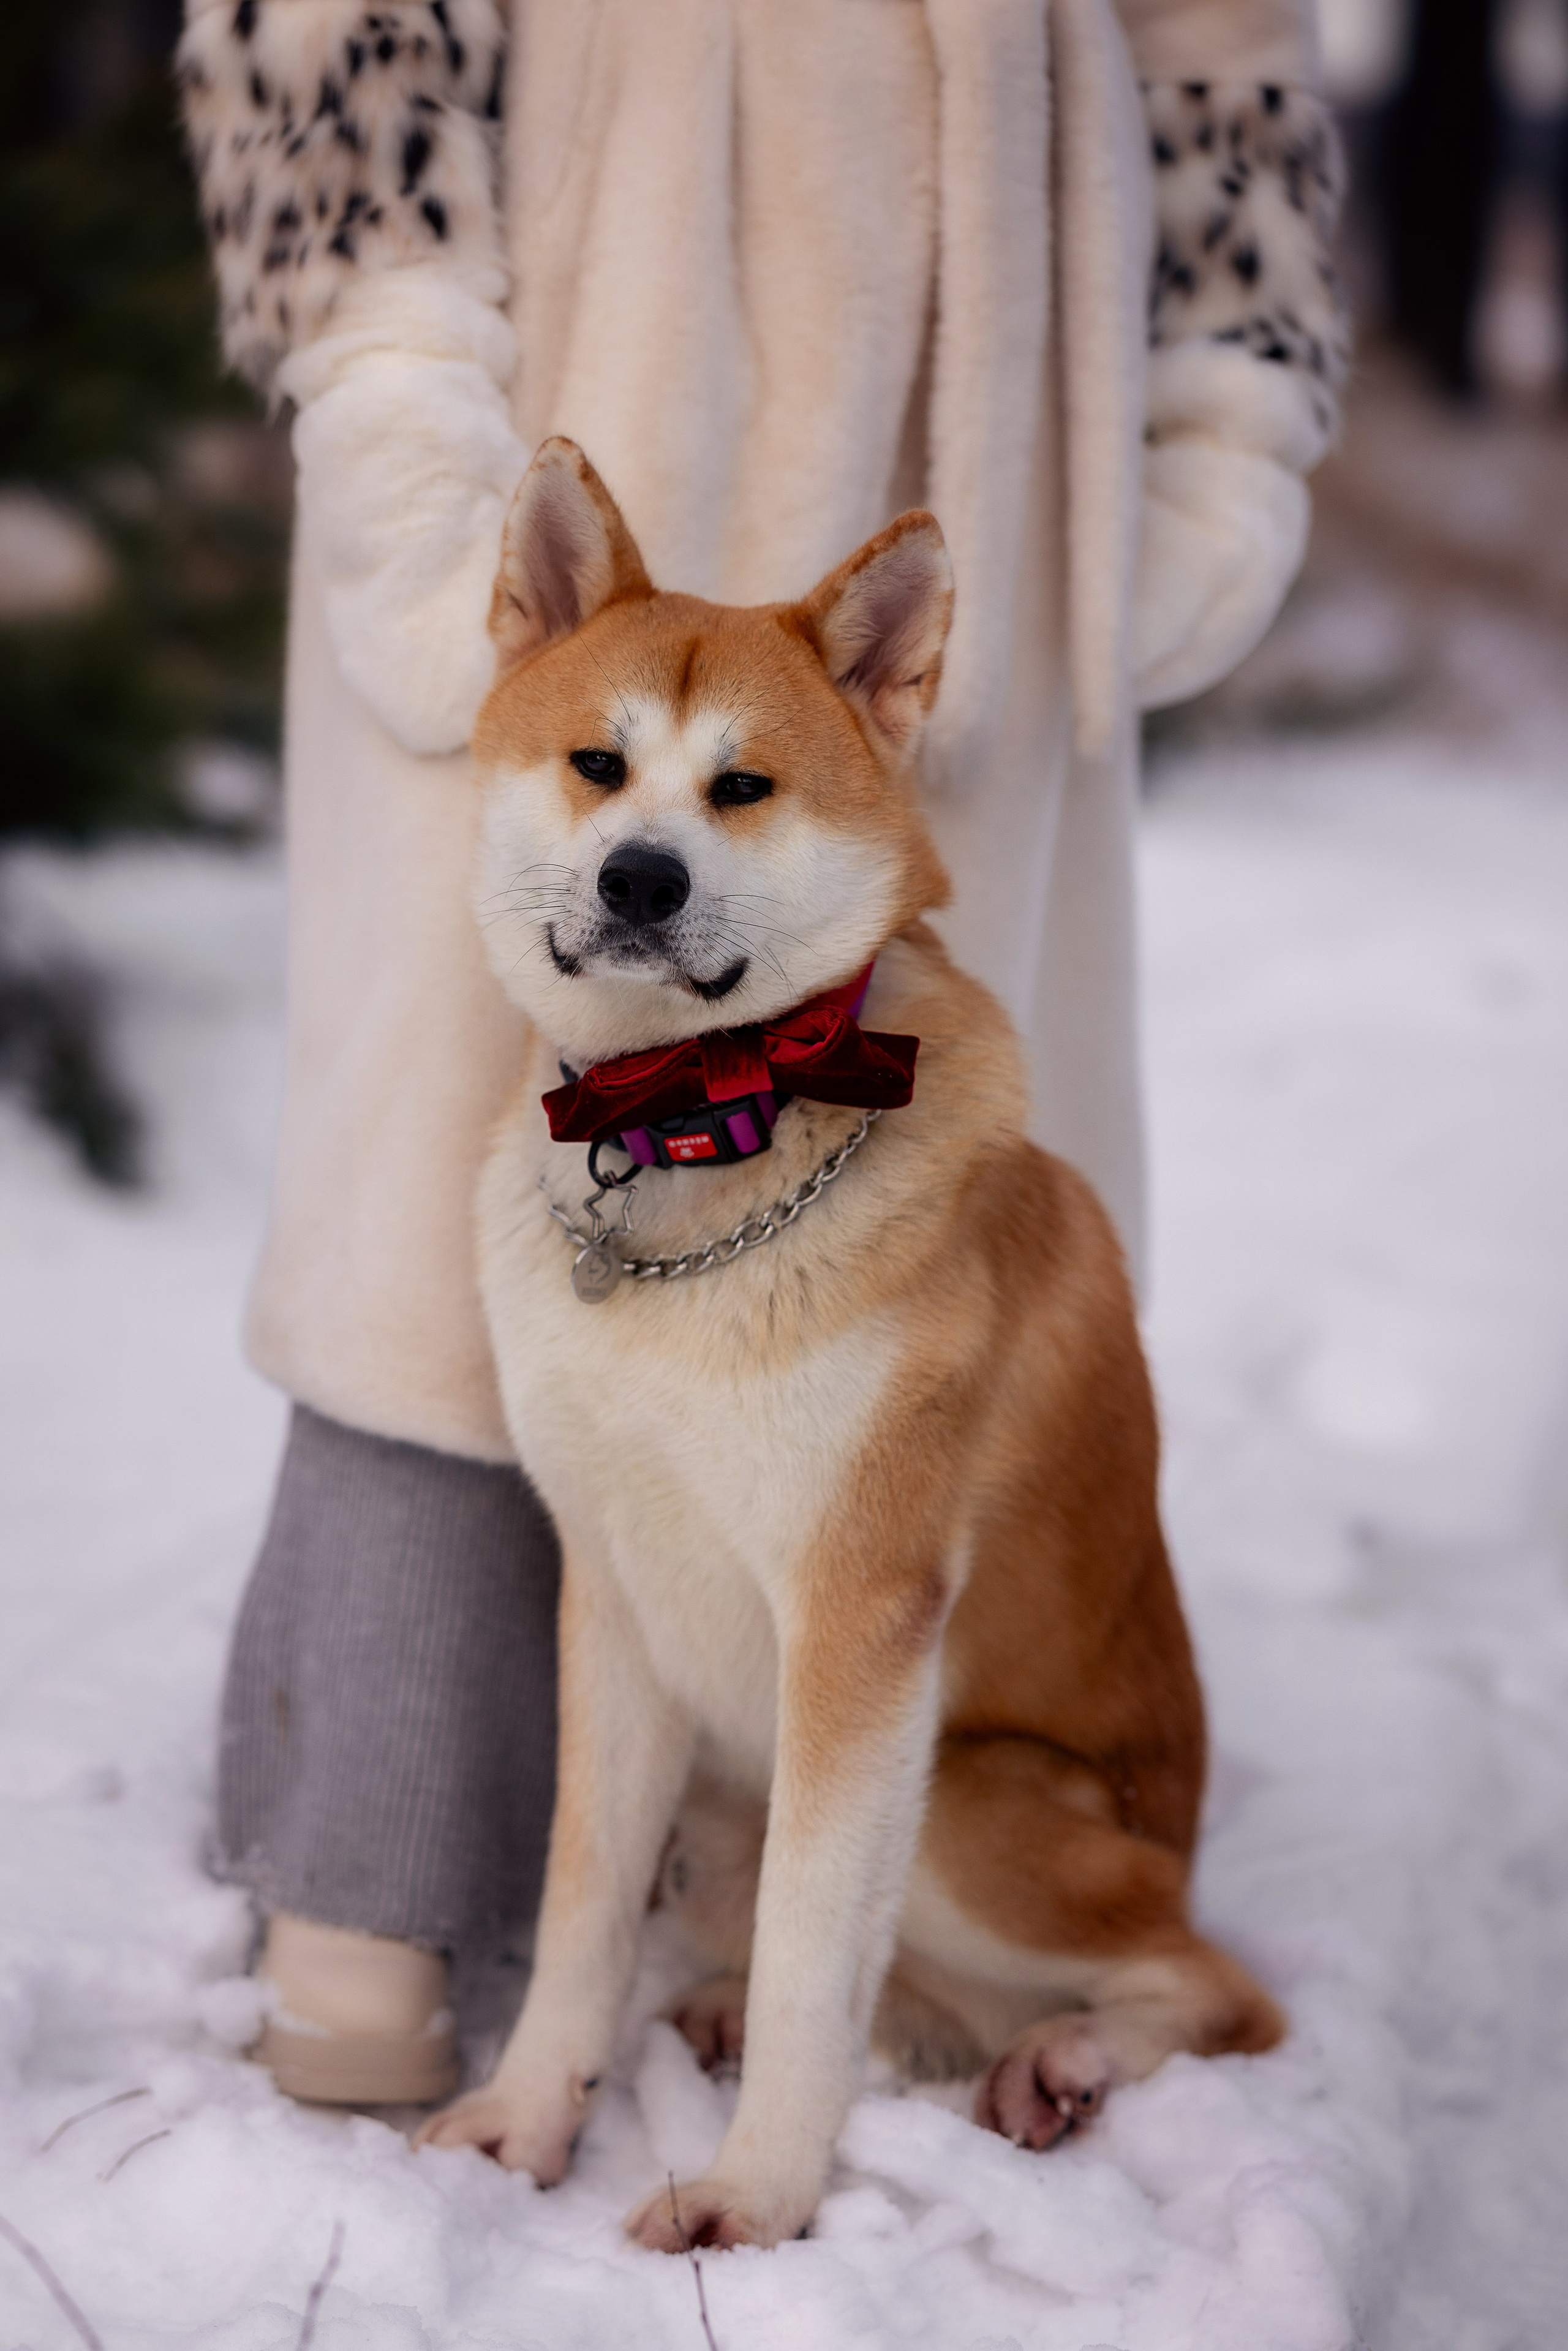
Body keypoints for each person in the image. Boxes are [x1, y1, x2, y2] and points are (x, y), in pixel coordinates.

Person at [177, 0, 1348, 2105]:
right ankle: (372, 1858)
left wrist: (1227, 416)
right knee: (440, 1207)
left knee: (912, 1219)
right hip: (598, 238)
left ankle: (867, 1881)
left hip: (1007, 311)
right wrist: (390, 390)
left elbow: (1222, 37)